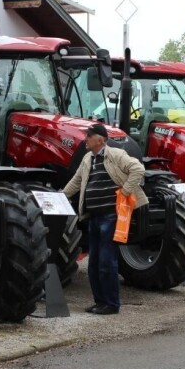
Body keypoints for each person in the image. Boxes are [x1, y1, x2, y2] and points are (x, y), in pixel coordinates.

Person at [62, 124, 147, 315]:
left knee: (107, 261)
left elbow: (138, 169)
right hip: (94, 217)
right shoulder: (87, 159)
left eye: (89, 136)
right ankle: (100, 302)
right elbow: (76, 181)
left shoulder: (116, 155)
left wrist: (125, 191)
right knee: (94, 263)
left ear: (100, 140)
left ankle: (111, 303)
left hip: (111, 216)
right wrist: (61, 196)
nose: (86, 139)